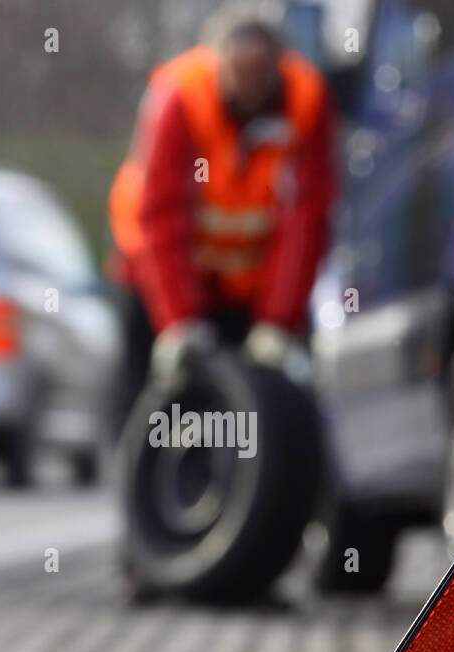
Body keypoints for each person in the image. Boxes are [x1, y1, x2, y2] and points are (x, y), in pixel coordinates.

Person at [107, 5, 336, 416]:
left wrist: (277, 320)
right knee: (145, 392)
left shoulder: (307, 101)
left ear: (276, 66)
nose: (248, 88)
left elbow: (306, 222)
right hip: (157, 272)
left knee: (250, 402)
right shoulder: (181, 96)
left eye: (259, 73)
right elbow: (162, 217)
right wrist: (177, 321)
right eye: (238, 71)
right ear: (218, 63)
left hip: (244, 285)